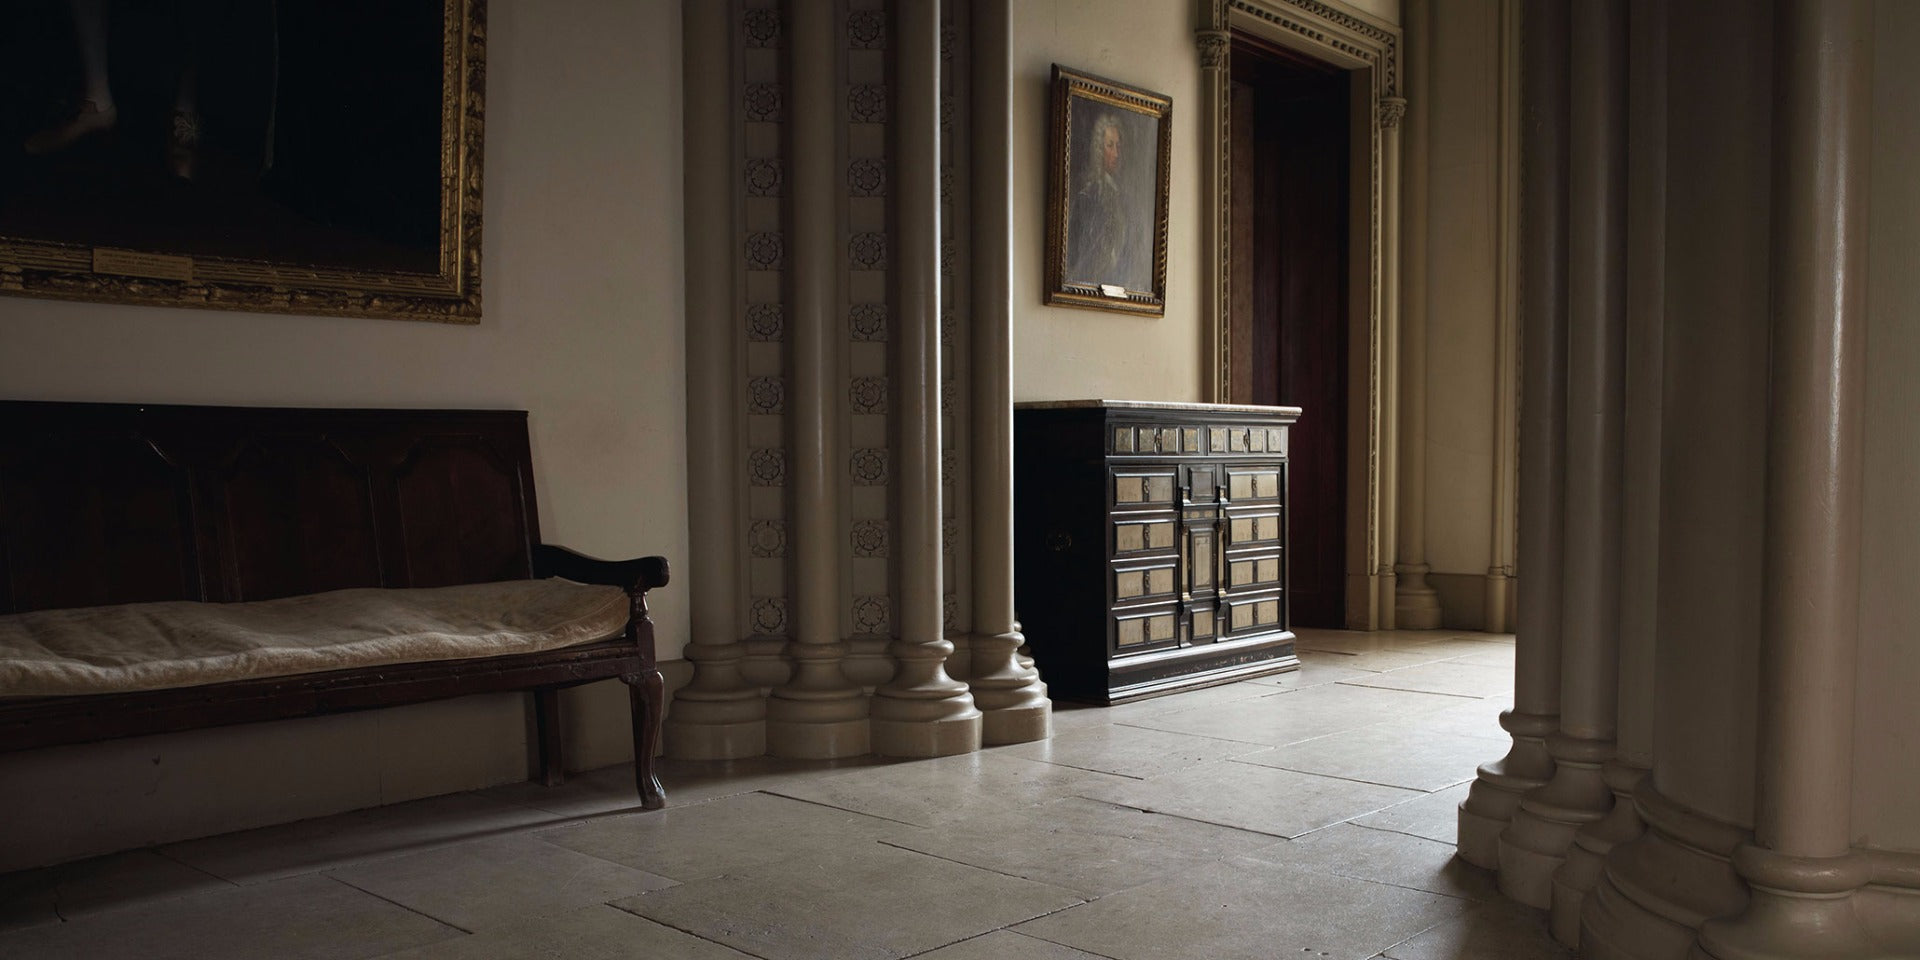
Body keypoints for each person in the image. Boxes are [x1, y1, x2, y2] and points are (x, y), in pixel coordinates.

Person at [1066, 109, 1137, 291]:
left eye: (1118, 146)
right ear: (1099, 149)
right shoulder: (1088, 196)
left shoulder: (1124, 199)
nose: (1116, 154)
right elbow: (1077, 254)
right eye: (1110, 146)